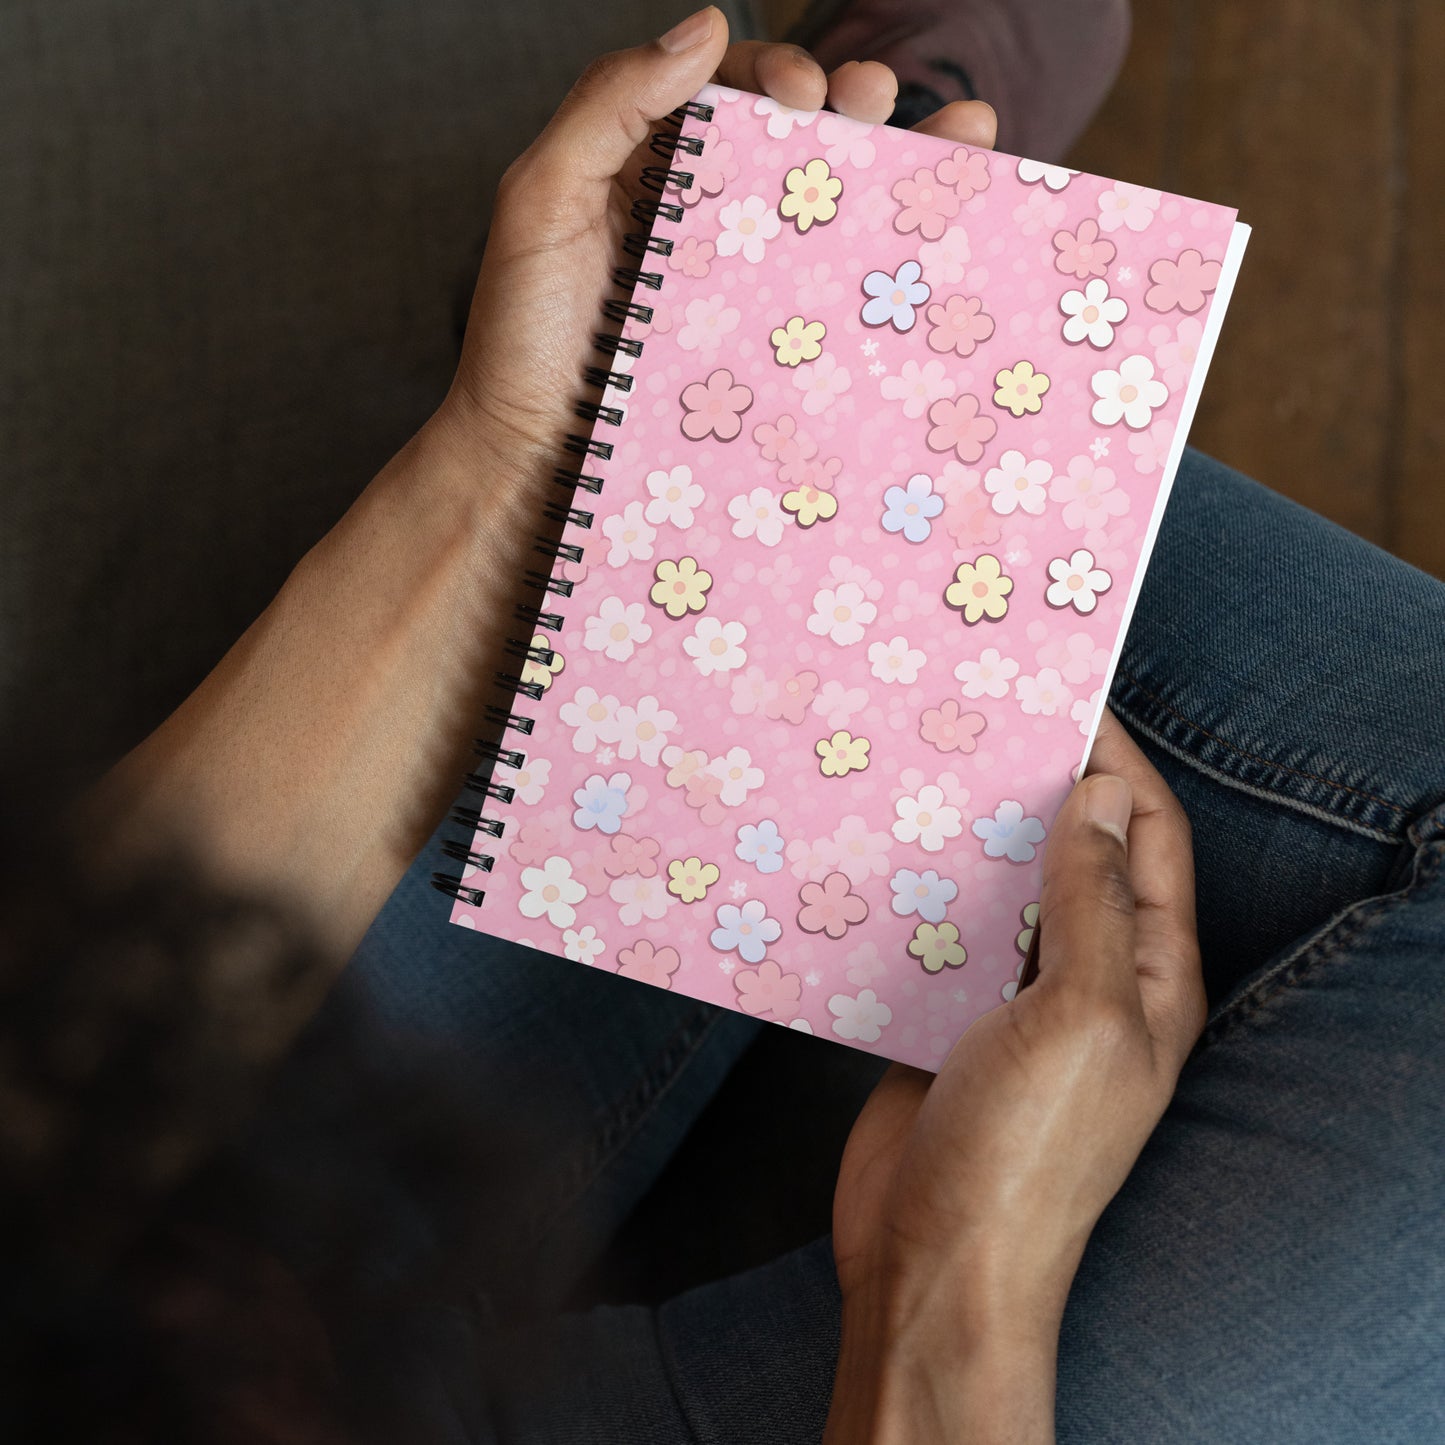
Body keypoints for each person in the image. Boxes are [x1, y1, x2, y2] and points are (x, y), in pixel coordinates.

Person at [3, 6, 1442, 1442]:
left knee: (686, 568)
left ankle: (750, 309)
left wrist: (501, 463)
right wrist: (948, 1295)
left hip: (142, 1292)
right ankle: (821, 271)